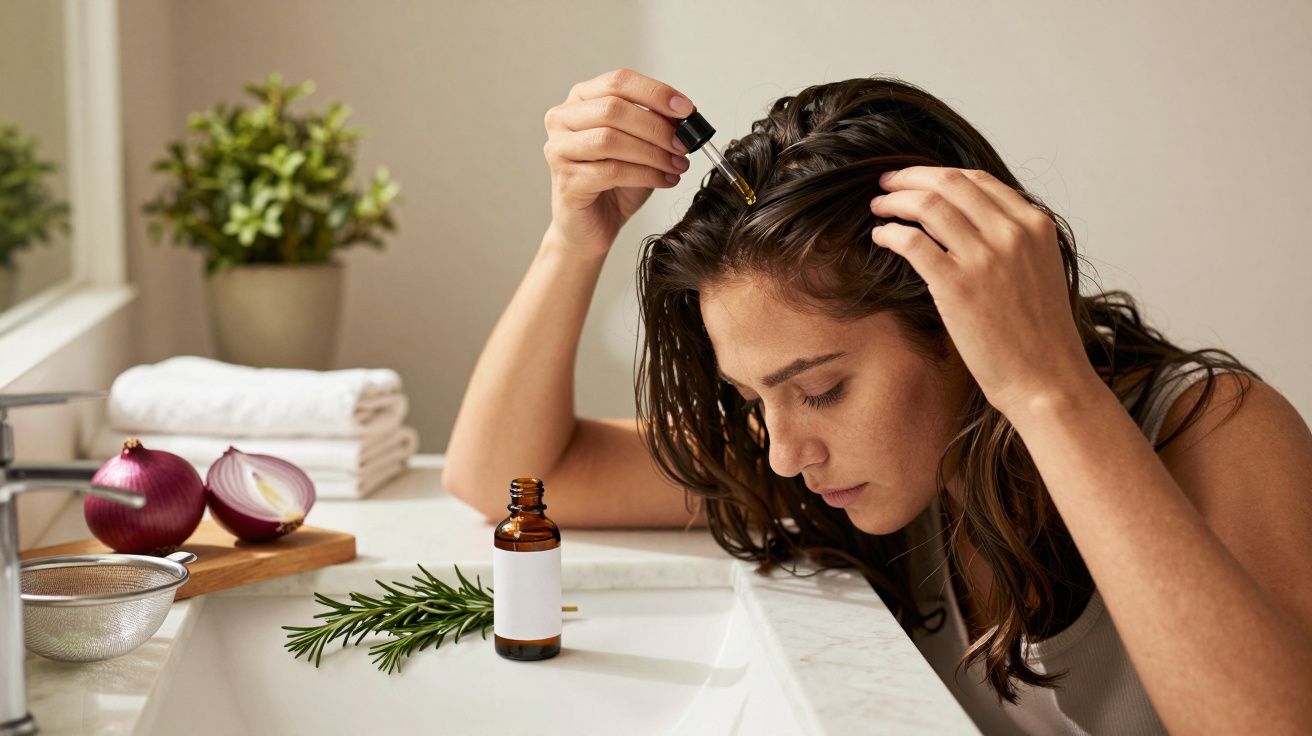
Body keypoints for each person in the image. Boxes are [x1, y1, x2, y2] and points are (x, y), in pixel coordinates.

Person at [443, 68, 1312, 734]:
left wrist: (1047, 389)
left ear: (959, 319)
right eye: (751, 399)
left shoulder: (1213, 428)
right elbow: (513, 479)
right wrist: (572, 238)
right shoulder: (855, 462)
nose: (783, 452)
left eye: (820, 389)